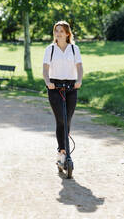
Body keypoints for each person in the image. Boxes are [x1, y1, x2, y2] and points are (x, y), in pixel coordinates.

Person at [42, 21, 83, 166]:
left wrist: (79, 80)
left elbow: (79, 66)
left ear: (67, 33)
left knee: (68, 119)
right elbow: (45, 69)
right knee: (61, 119)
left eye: (61, 31)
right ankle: (63, 151)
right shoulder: (50, 49)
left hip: (71, 86)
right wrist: (48, 82)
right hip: (55, 86)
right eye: (56, 31)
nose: (58, 33)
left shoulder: (74, 49)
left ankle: (62, 152)